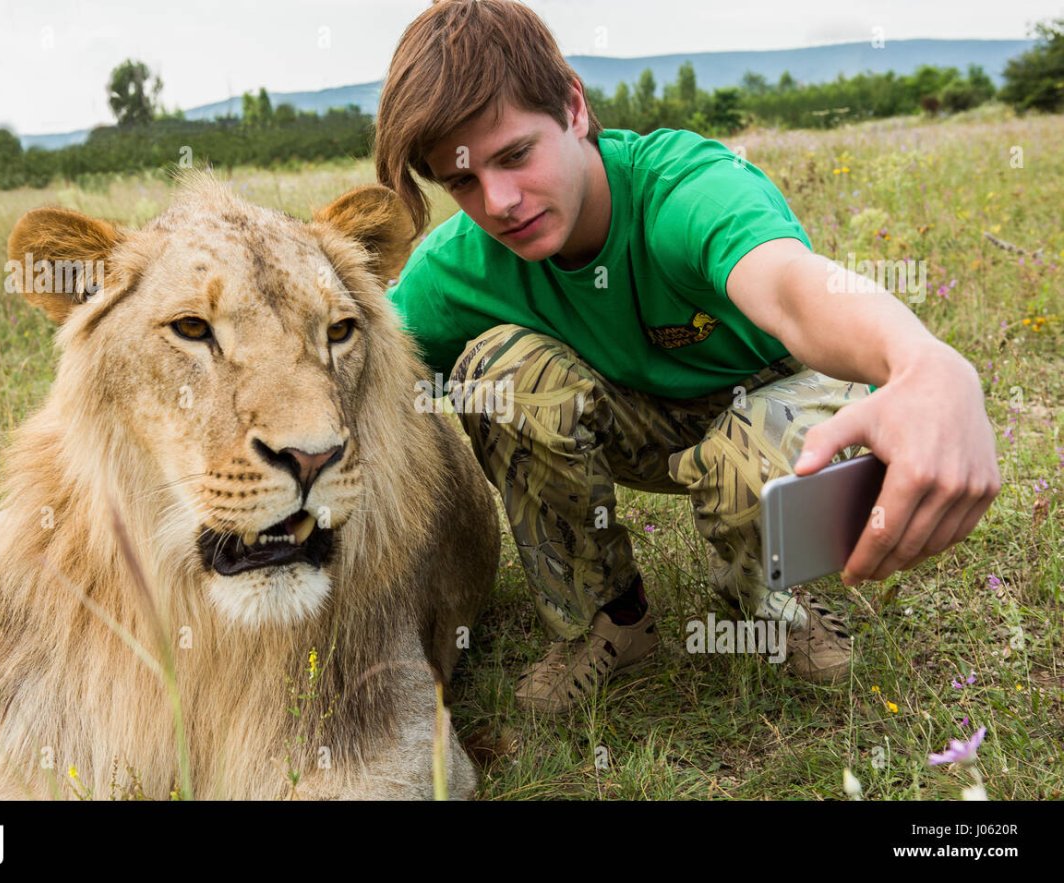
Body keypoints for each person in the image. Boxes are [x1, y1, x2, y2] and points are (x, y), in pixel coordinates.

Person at [375, 0, 1001, 713]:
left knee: (745, 469)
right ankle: (608, 619)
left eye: (515, 154)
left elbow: (798, 292)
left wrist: (923, 360)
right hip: (639, 422)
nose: (500, 201)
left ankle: (768, 604)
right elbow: (359, 384)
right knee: (493, 372)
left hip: (775, 398)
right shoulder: (456, 269)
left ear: (573, 108)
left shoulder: (684, 188)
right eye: (462, 182)